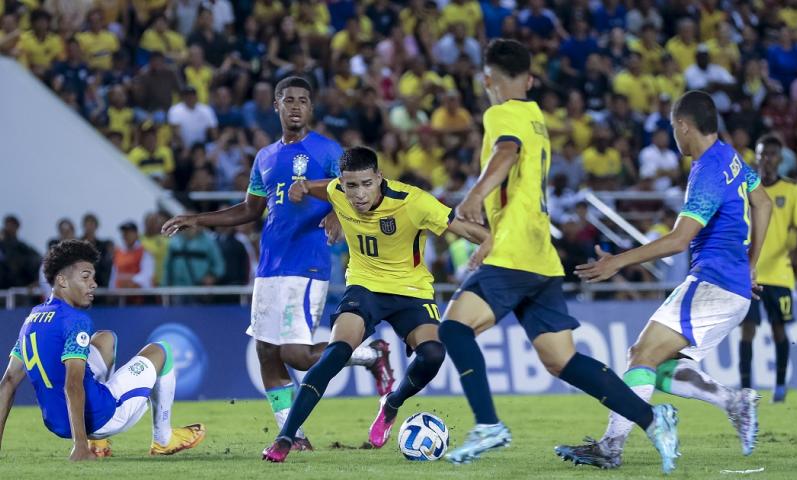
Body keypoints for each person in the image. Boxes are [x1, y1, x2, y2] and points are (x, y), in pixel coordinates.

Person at [435, 39, 680, 473]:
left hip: (516, 253)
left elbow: (505, 152)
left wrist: (474, 194)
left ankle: (488, 425)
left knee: (454, 329)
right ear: (529, 79)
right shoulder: (536, 117)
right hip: (540, 255)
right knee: (561, 360)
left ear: (487, 79)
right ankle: (651, 417)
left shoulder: (500, 113)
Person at [161, 77, 394, 452]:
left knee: (296, 355)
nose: (296, 106)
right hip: (270, 267)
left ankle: (371, 355)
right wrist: (198, 219)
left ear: (312, 108)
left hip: (308, 263)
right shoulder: (265, 158)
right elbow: (250, 210)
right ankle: (294, 435)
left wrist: (337, 213)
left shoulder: (328, 151)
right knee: (267, 352)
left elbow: (360, 191)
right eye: (289, 100)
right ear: (276, 106)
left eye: (303, 100)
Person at [555, 90, 772, 469]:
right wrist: (751, 264)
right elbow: (763, 204)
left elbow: (678, 240)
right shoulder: (730, 157)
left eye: (674, 129)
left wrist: (617, 262)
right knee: (660, 365)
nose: (675, 136)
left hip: (713, 283)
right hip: (732, 287)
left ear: (684, 126)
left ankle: (610, 447)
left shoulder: (706, 171)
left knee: (640, 356)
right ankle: (733, 402)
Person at [263, 146, 492, 463]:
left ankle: (392, 404)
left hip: (411, 289)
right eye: (351, 185)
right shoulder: (336, 190)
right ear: (342, 183)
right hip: (364, 286)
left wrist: (499, 245)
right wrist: (302, 188)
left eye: (366, 184)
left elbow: (466, 228)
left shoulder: (414, 202)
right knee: (336, 352)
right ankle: (285, 437)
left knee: (433, 353)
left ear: (380, 178)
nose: (358, 194)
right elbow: (322, 187)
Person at [0, 240, 205, 460]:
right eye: (85, 277)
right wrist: (80, 446)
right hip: (101, 417)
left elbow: (9, 382)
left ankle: (98, 442)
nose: (94, 284)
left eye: (93, 277)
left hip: (56, 423)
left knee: (105, 339)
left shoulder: (32, 318)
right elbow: (73, 384)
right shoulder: (76, 320)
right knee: (161, 350)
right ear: (62, 281)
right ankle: (163, 440)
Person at [740, 134, 797, 403]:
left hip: (780, 273)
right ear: (757, 156)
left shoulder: (792, 190)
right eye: (763, 154)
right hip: (748, 273)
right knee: (747, 330)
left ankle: (779, 387)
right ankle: (745, 391)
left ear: (780, 158)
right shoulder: (746, 189)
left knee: (778, 331)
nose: (767, 159)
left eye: (772, 154)